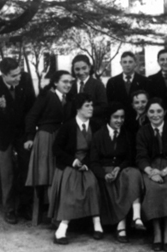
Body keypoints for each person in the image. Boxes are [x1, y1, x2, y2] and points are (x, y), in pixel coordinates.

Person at [48, 93, 103, 245]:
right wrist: (73, 161)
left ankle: (97, 224)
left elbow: (96, 150)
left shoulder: (96, 125)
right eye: (87, 105)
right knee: (71, 187)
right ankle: (62, 229)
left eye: (92, 105)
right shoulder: (68, 126)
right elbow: (57, 149)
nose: (91, 108)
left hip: (88, 164)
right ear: (78, 108)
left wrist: (87, 163)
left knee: (92, 185)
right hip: (69, 165)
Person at [90, 102, 145, 244]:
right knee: (113, 184)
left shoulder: (127, 134)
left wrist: (119, 168)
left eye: (122, 117)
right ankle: (121, 226)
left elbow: (129, 158)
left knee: (133, 174)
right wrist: (104, 174)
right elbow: (94, 161)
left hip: (121, 169)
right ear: (108, 117)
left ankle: (133, 219)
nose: (119, 120)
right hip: (103, 171)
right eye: (116, 117)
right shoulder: (98, 135)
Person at [0, 58, 35, 224]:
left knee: (26, 168)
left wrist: (29, 136)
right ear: (4, 75)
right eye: (14, 75)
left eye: (19, 73)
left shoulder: (26, 79)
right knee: (6, 173)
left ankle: (24, 206)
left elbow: (32, 108)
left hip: (22, 134)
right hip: (3, 135)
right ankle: (8, 210)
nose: (18, 77)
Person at [136, 98, 167, 251]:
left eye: (159, 111)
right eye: (151, 111)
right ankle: (157, 232)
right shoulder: (143, 131)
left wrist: (163, 172)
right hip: (150, 167)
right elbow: (141, 156)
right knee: (153, 189)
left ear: (165, 112)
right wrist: (150, 172)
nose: (156, 115)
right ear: (147, 114)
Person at [24, 70, 73, 199]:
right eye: (65, 82)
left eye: (70, 82)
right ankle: (53, 212)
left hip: (59, 138)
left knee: (58, 173)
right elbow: (31, 117)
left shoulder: (67, 100)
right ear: (56, 82)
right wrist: (29, 138)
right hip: (46, 137)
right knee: (49, 174)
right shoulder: (46, 95)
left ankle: (57, 210)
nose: (68, 85)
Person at [106, 51, 149, 119]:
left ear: (135, 63)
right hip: (120, 119)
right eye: (125, 62)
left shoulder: (144, 81)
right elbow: (110, 103)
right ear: (121, 63)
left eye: (130, 62)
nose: (127, 65)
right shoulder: (112, 82)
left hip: (138, 119)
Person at [68, 54, 108, 123]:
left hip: (93, 123)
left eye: (84, 68)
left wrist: (86, 110)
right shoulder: (70, 85)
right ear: (73, 70)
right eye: (77, 69)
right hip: (74, 124)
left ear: (89, 67)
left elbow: (104, 106)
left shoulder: (98, 85)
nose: (81, 72)